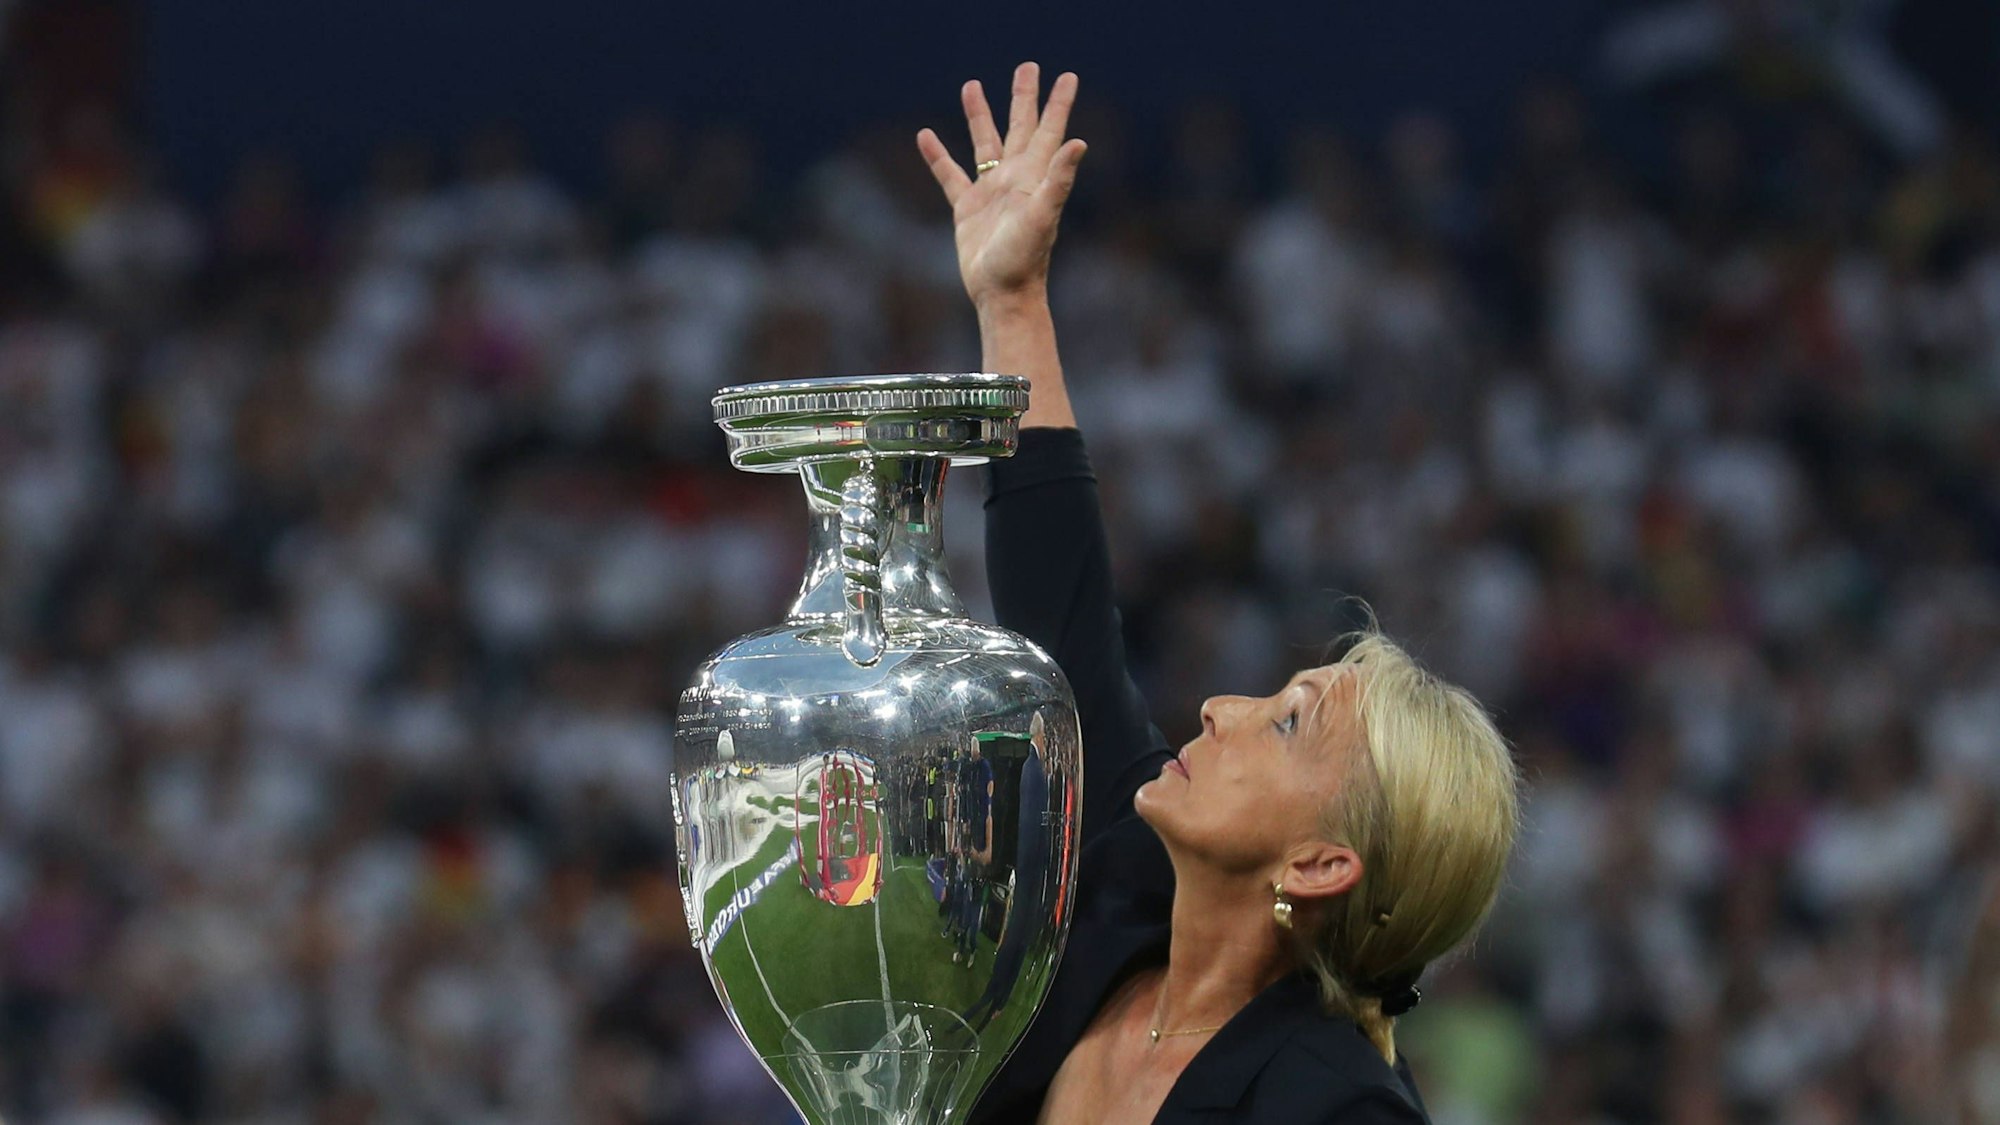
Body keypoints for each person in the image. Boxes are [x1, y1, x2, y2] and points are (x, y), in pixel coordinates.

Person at [915, 63, 1522, 1124]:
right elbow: (1061, 607)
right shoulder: (1122, 884)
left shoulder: (1338, 1109)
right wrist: (1012, 302)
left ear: (1320, 863)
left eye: (1287, 723)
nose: (1218, 707)